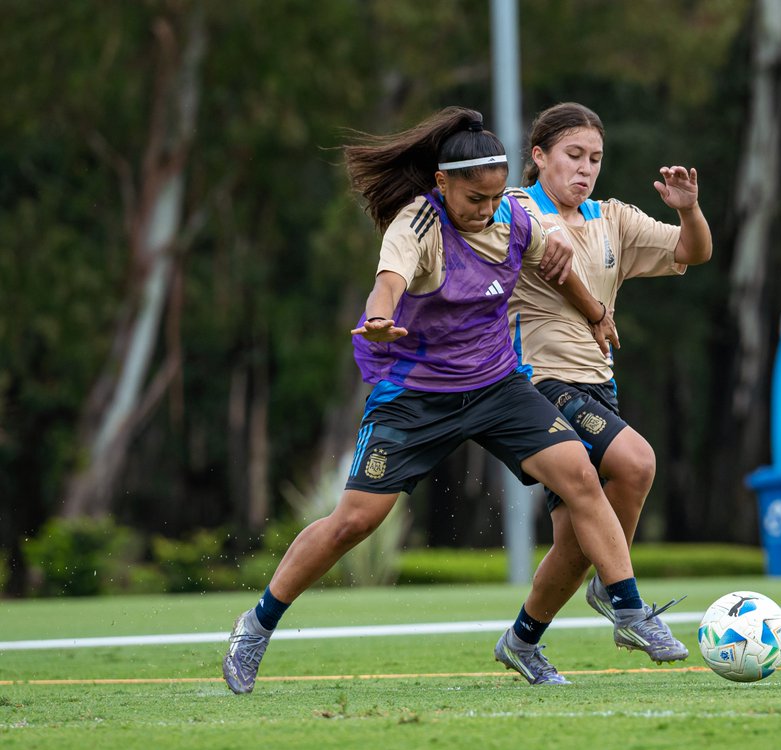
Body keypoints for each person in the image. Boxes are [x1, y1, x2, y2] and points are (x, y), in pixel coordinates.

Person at [222, 106, 673, 692]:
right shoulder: (416, 225)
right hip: (416, 397)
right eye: (473, 200)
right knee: (353, 522)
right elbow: (388, 282)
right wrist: (379, 318)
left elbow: (556, 266)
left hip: (496, 385)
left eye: (493, 199)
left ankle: (630, 610)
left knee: (580, 475)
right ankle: (256, 625)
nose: (486, 211)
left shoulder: (513, 217)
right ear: (443, 184)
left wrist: (596, 314)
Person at [493, 102, 713, 675]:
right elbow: (554, 268)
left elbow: (694, 252)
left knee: (573, 545)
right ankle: (625, 601)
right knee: (637, 462)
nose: (585, 168)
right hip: (538, 384)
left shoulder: (611, 217)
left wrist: (689, 212)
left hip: (598, 385)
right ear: (538, 156)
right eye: (573, 155)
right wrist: (594, 312)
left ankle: (521, 642)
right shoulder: (516, 209)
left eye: (595, 158)